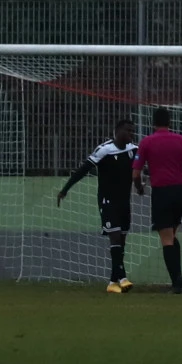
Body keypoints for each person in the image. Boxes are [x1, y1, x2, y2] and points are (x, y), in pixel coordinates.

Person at [58, 118, 140, 292]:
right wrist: (65, 189)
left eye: (133, 131)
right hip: (107, 201)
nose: (131, 134)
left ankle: (112, 283)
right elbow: (83, 169)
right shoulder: (104, 150)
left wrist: (140, 186)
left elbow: (140, 169)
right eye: (128, 131)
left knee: (121, 242)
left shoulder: (133, 150)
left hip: (124, 201)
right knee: (115, 237)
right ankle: (123, 278)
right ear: (118, 131)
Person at [135, 107, 182, 294]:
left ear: (153, 123)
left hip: (161, 193)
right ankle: (178, 278)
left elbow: (135, 173)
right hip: (179, 192)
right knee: (172, 234)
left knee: (166, 238)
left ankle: (177, 283)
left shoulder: (146, 142)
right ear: (170, 122)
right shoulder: (181, 140)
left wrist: (139, 188)